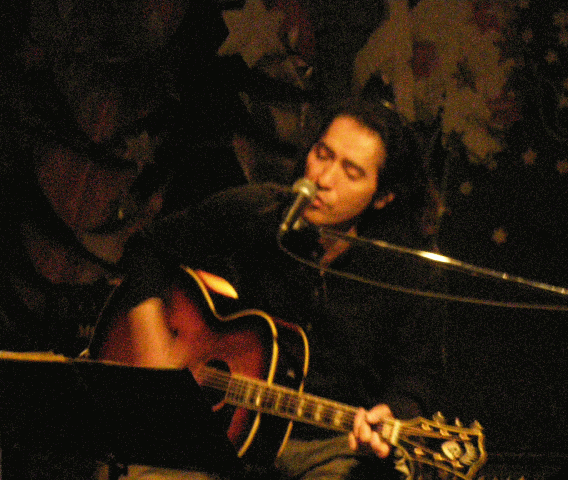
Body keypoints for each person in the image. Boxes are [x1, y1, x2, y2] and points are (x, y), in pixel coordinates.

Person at [98, 96, 447, 479]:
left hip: (326, 448)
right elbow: (149, 247)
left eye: (351, 172)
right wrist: (153, 347)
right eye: (322, 154)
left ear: (383, 196)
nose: (323, 179)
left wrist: (391, 415)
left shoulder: (409, 272)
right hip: (216, 431)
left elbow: (417, 376)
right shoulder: (259, 211)